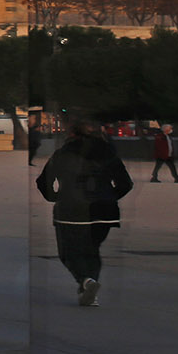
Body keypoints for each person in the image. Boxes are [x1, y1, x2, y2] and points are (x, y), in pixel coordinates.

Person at [36, 118, 134, 307]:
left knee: (68, 252)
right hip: (104, 212)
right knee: (91, 251)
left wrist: (55, 197)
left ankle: (85, 281)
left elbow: (43, 181)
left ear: (72, 133)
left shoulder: (63, 153)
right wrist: (109, 197)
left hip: (71, 210)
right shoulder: (108, 152)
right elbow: (125, 184)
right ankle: (89, 291)